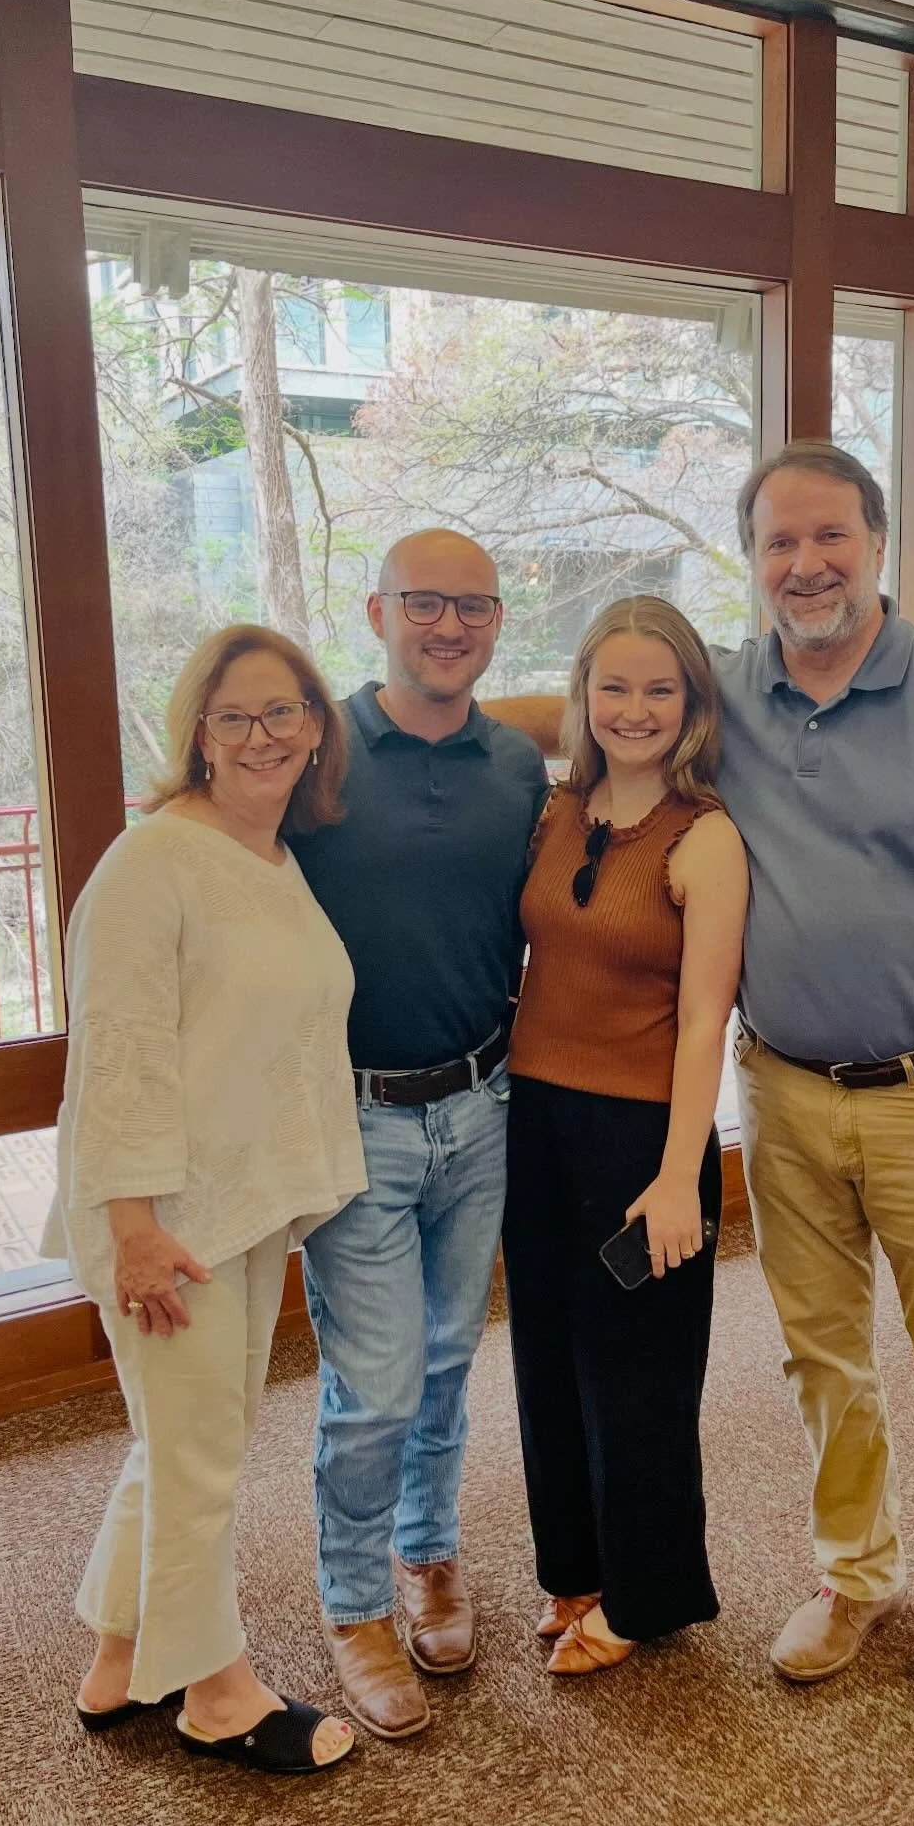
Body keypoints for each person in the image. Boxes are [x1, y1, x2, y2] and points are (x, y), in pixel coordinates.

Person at [489, 440, 914, 1754]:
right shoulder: (728, 694)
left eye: (829, 536)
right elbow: (612, 703)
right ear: (753, 559)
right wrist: (386, 720)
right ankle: (856, 1576)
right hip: (781, 1092)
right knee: (823, 1362)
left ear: (878, 543)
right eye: (778, 543)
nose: (805, 564)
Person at [42, 623, 365, 1777]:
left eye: (286, 712)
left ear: (319, 726)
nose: (265, 734)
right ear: (198, 735)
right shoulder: (153, 862)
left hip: (243, 1198)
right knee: (199, 1456)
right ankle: (216, 1691)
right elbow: (118, 1053)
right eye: (236, 716)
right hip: (161, 1217)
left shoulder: (276, 856)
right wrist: (131, 1230)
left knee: (186, 1439)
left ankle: (120, 1655)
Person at [290, 529, 548, 1740]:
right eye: (425, 605)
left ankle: (428, 1552)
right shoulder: (315, 751)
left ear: (499, 621)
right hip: (349, 1118)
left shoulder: (518, 765)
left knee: (449, 1358)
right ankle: (352, 1606)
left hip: (483, 1104)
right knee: (376, 1381)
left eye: (474, 607)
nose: (449, 627)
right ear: (378, 608)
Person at [503, 597, 747, 1675]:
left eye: (661, 689)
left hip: (646, 1135)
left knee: (638, 1376)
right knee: (546, 1360)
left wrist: (680, 1175)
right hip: (536, 1122)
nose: (635, 709)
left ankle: (649, 1595)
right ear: (583, 696)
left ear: (693, 703)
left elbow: (706, 1022)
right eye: (614, 686)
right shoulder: (557, 808)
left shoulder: (708, 837)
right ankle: (578, 1573)